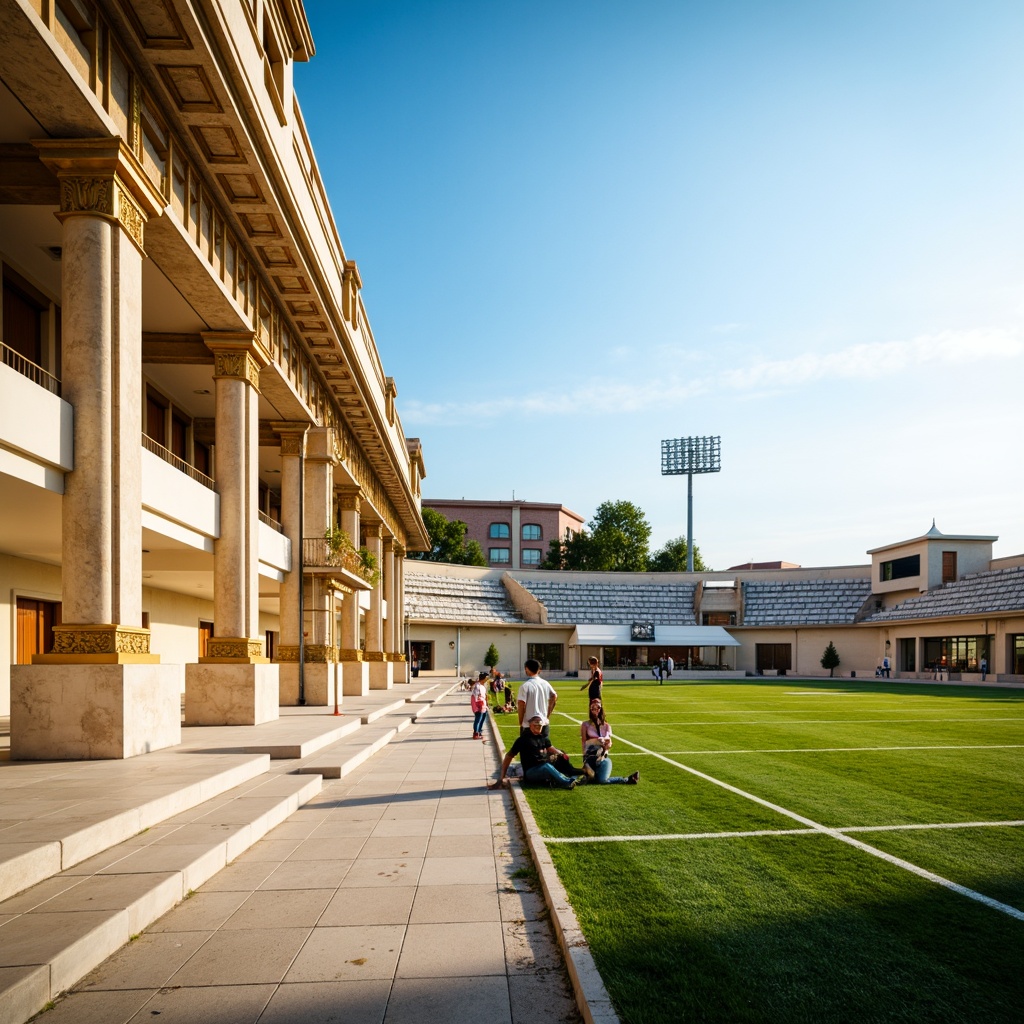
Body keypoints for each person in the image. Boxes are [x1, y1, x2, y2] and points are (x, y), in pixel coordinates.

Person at [489, 715, 579, 790]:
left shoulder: (543, 738)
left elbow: (551, 748)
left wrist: (561, 754)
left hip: (542, 766)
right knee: (547, 767)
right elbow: (509, 756)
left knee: (556, 760)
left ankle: (569, 778)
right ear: (530, 726)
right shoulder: (523, 740)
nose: (538, 727)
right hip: (530, 772)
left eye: (540, 726)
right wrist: (502, 777)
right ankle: (566, 782)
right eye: (535, 725)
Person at [580, 698, 639, 785]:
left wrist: (606, 744)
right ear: (590, 709)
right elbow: (584, 742)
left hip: (603, 759)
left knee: (602, 780)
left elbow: (609, 744)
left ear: (601, 709)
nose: (596, 710)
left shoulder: (607, 726)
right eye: (593, 708)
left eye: (598, 707)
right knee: (589, 779)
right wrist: (585, 758)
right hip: (590, 759)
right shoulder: (585, 725)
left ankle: (627, 779)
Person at [517, 659, 557, 731]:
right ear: (538, 670)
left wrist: (521, 722)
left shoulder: (525, 686)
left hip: (529, 725)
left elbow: (521, 703)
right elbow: (554, 696)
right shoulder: (545, 683)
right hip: (543, 723)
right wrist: (547, 714)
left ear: (526, 669)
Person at [470, 671, 488, 739]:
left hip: (483, 706)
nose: (487, 679)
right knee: (478, 719)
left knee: (482, 719)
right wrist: (479, 706)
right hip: (479, 706)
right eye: (486, 678)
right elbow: (475, 697)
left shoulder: (482, 686)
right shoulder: (478, 686)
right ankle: (476, 733)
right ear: (483, 678)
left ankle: (479, 731)